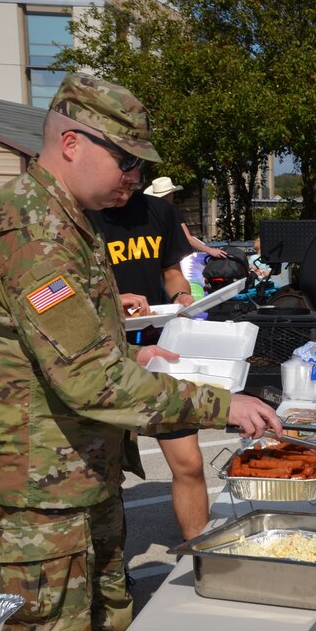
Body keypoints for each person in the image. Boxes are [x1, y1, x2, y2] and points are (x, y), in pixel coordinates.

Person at [0, 72, 281, 631]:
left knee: (106, 619)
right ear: (72, 143)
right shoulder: (30, 231)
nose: (134, 176)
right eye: (126, 159)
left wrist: (127, 346)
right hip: (35, 480)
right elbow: (87, 378)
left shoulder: (63, 217)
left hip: (72, 465)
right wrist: (216, 404)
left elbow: (44, 345)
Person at [89, 186, 210, 541]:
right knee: (103, 476)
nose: (125, 182)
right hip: (101, 354)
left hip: (160, 348)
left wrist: (181, 295)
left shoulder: (159, 211)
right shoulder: (81, 213)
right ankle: (111, 571)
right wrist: (113, 299)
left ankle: (200, 554)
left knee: (189, 461)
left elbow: (170, 270)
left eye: (134, 171)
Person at [144, 176, 227, 259]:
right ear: (168, 195)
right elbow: (187, 238)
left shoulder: (149, 212)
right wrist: (210, 250)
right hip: (175, 257)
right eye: (172, 193)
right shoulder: (171, 211)